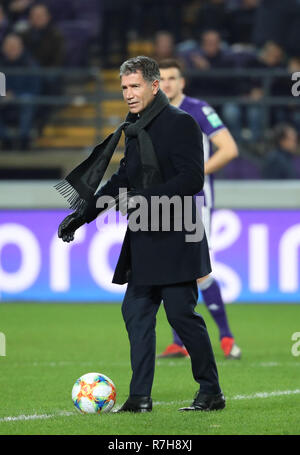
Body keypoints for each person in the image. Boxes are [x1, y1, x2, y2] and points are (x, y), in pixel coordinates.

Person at [57, 56, 225, 413]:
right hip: (146, 235)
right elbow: (121, 182)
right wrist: (82, 215)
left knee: (182, 316)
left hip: (179, 233)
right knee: (136, 313)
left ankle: (211, 391)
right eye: (123, 88)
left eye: (134, 86)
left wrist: (142, 198)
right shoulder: (134, 129)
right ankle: (139, 398)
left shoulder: (182, 124)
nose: (128, 94)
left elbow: (192, 179)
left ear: (154, 86)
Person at [158, 58, 241, 360]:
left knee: (197, 270)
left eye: (171, 78)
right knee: (170, 269)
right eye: (161, 78)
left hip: (195, 201)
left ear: (182, 82)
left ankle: (226, 337)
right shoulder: (150, 112)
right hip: (162, 202)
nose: (166, 83)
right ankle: (178, 342)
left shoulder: (198, 110)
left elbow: (229, 148)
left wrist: (194, 173)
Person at [0, 33, 40, 150]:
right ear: (3, 48)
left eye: (14, 46)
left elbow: (35, 88)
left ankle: (24, 139)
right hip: (4, 101)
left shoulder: (30, 64)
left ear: (21, 47)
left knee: (27, 100)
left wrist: (14, 94)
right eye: (9, 46)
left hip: (23, 101)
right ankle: (5, 139)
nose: (11, 49)